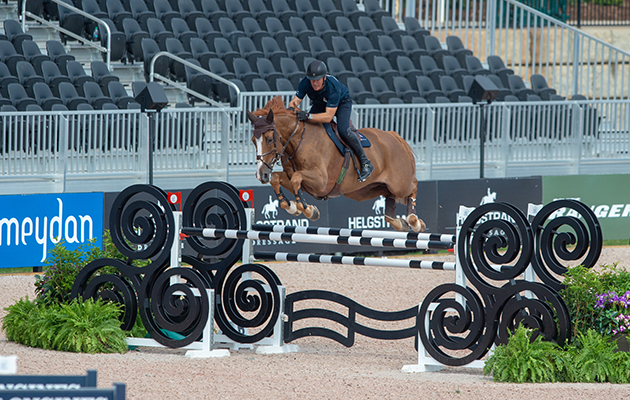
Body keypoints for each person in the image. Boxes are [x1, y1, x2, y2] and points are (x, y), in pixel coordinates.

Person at [288, 60, 374, 182]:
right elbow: (295, 101)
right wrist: (291, 109)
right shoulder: (305, 82)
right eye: (312, 80)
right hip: (320, 103)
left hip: (341, 103)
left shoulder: (333, 87)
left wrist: (308, 116)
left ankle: (365, 162)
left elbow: (328, 117)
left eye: (318, 80)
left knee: (343, 130)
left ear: (324, 78)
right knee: (306, 126)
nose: (315, 83)